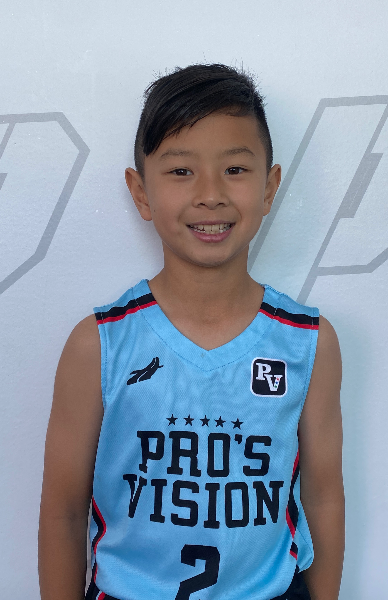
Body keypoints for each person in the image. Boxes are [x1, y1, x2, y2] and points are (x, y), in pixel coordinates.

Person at [38, 64, 345, 600]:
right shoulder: (99, 344)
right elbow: (63, 512)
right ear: (140, 192)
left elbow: (322, 497)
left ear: (270, 187)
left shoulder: (308, 341)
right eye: (181, 171)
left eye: (235, 169)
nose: (210, 194)